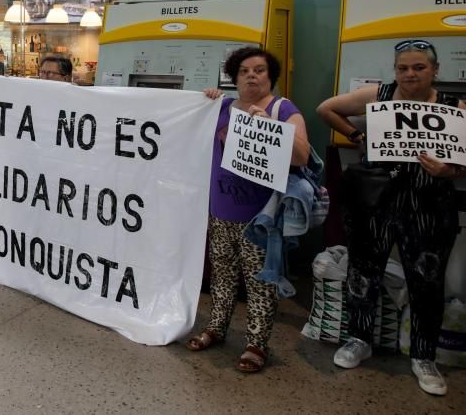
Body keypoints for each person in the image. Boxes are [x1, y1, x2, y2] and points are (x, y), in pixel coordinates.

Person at [316, 39, 465, 396]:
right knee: (363, 273)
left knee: (427, 280)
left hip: (429, 204)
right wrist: (357, 135)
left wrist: (450, 171)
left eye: (419, 67)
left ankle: (424, 356)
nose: (410, 74)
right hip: (376, 202)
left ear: (435, 70)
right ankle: (358, 338)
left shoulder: (453, 108)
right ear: (394, 69)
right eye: (403, 68)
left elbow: (462, 161)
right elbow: (326, 108)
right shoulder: (379, 95)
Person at [186, 47, 310, 374]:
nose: (252, 76)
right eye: (244, 71)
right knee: (222, 274)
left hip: (260, 217)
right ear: (234, 76)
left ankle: (256, 343)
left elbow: (302, 156)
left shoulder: (283, 109)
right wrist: (206, 100)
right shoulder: (222, 107)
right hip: (222, 209)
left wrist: (273, 128)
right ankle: (216, 327)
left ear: (271, 77)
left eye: (259, 70)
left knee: (259, 282)